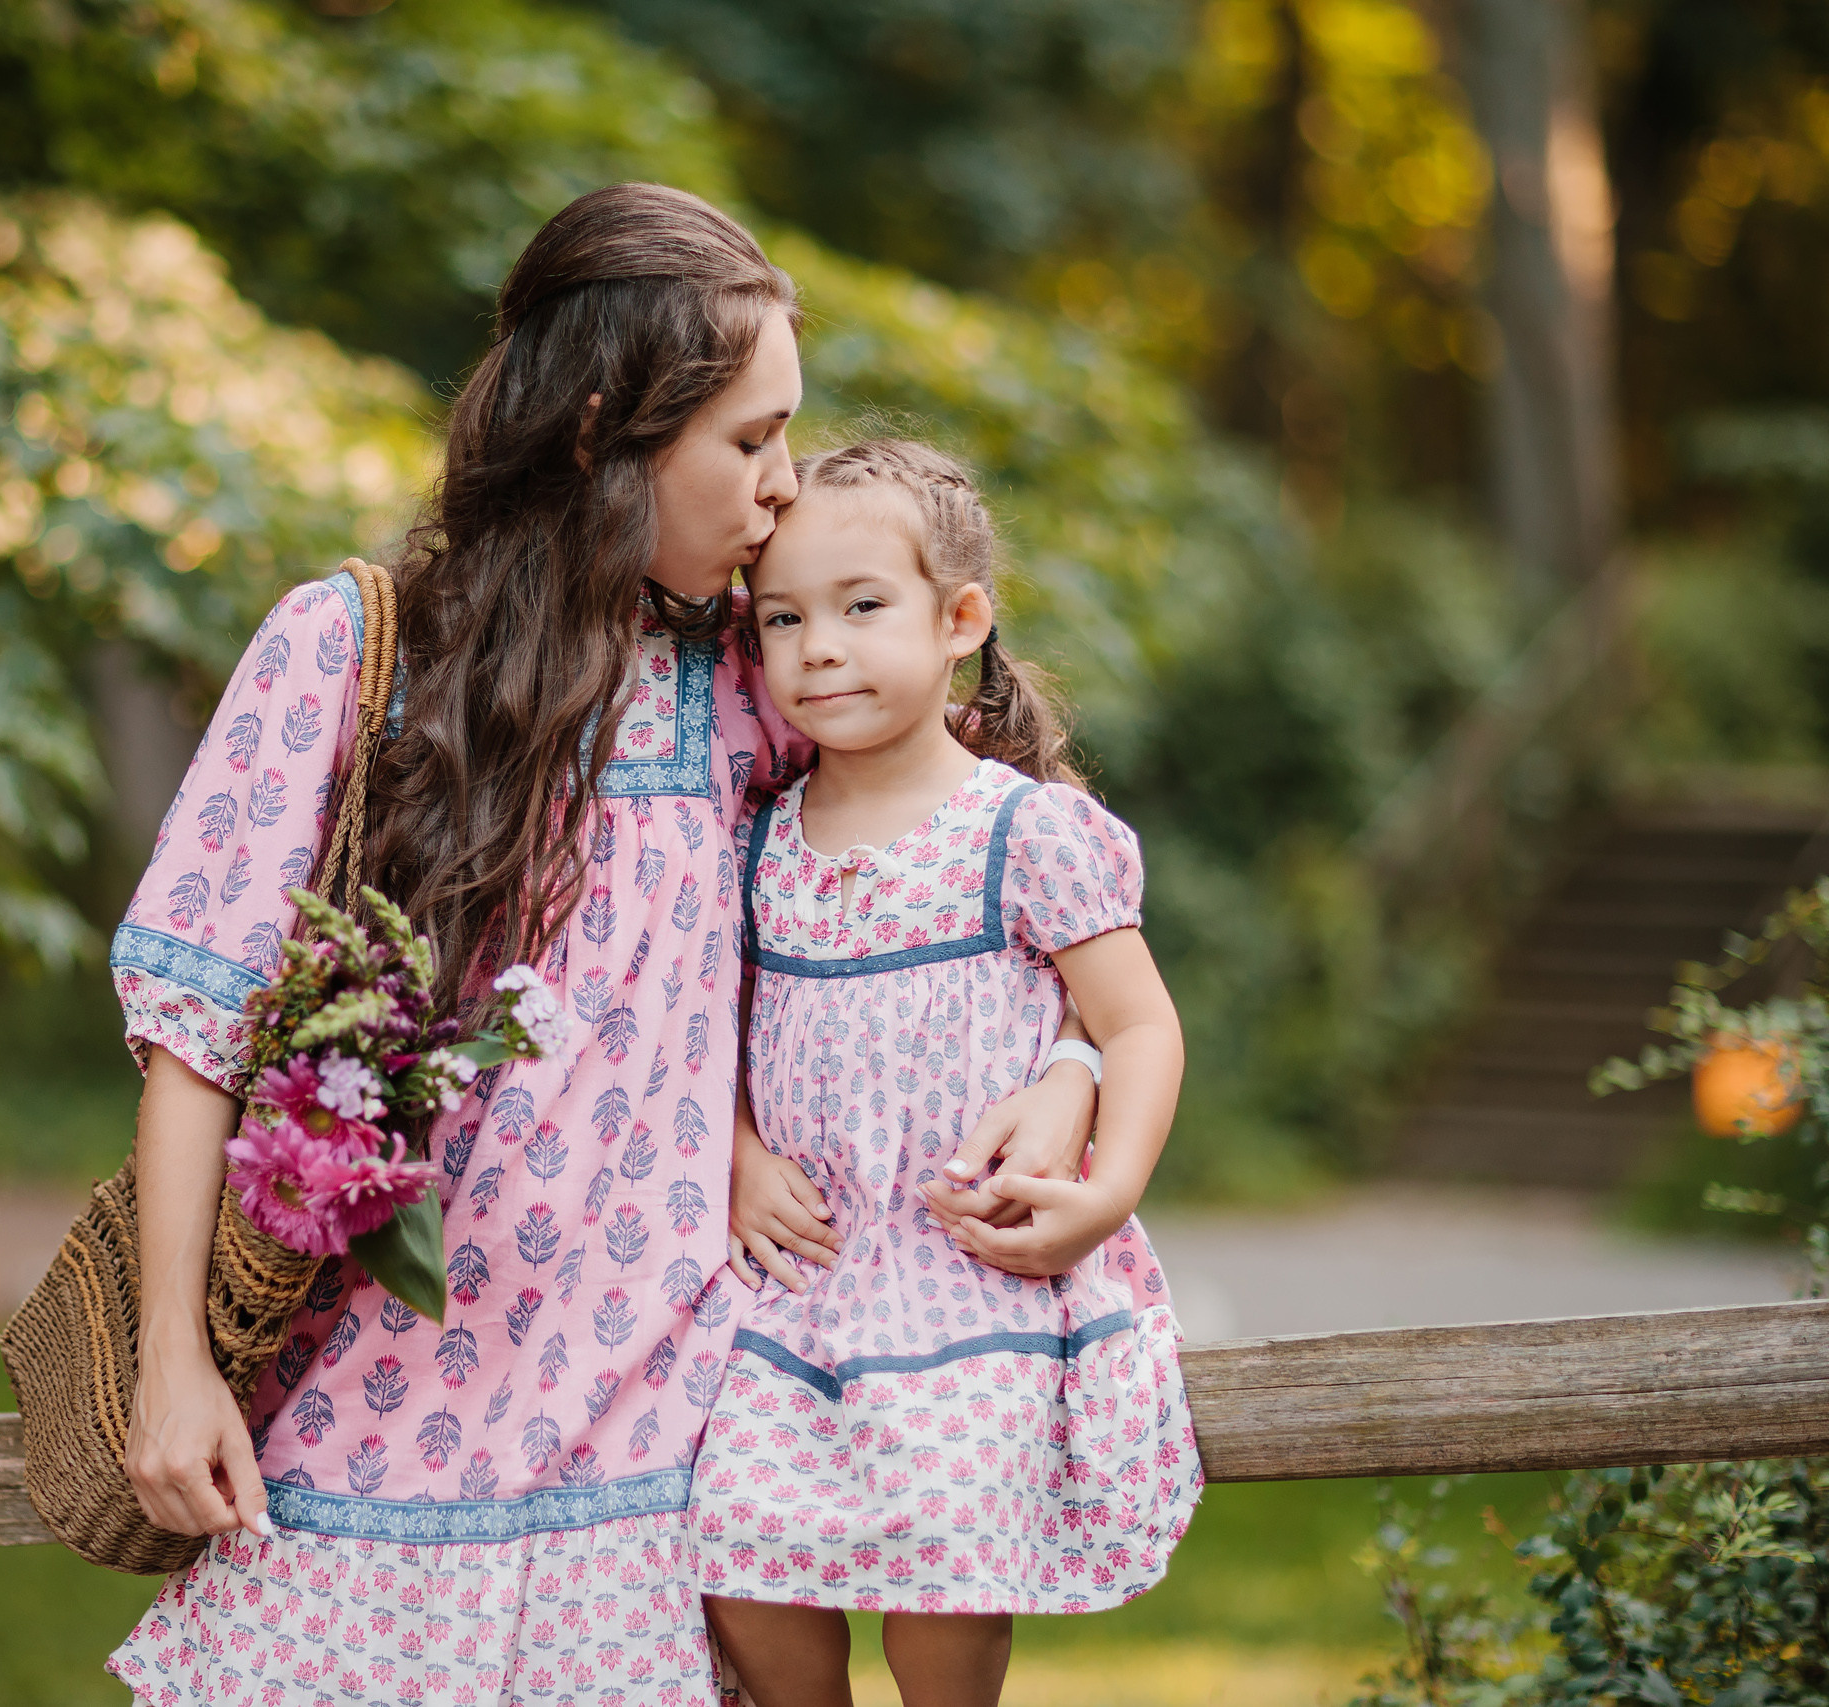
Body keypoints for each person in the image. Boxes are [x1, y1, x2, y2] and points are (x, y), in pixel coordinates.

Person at [102, 188, 1101, 1706]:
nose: (781, 490)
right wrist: (172, 1358)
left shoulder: (758, 674)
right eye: (749, 441)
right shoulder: (355, 650)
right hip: (368, 1420)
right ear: (599, 432)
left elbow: (1009, 870)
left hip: (660, 1442)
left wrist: (1082, 1059)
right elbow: (199, 1024)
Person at [694, 440, 1198, 1707]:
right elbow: (711, 1037)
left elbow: (1135, 1025)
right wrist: (744, 1157)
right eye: (782, 618)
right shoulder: (753, 841)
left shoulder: (1023, 830)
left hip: (964, 1278)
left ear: (959, 617)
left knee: (943, 1560)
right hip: (800, 1278)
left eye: (863, 607)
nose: (818, 647)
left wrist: (1108, 1191)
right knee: (740, 1545)